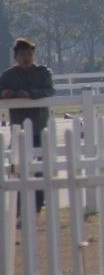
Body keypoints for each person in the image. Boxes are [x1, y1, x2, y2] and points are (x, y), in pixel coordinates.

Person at [0, 38, 55, 220]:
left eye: (29, 55)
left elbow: (49, 91)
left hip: (38, 127)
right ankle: (17, 205)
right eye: (22, 55)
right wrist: (4, 95)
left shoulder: (43, 73)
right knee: (15, 167)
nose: (26, 58)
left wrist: (31, 95)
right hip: (18, 129)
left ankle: (38, 205)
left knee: (39, 168)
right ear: (16, 57)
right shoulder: (8, 76)